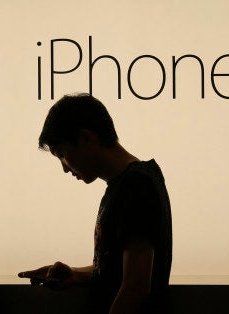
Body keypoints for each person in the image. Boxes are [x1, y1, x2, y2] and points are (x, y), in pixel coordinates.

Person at [18, 93, 173, 313]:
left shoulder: (137, 186)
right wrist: (76, 274)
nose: (64, 168)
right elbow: (121, 271)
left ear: (86, 138)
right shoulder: (129, 184)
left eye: (62, 154)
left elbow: (135, 288)